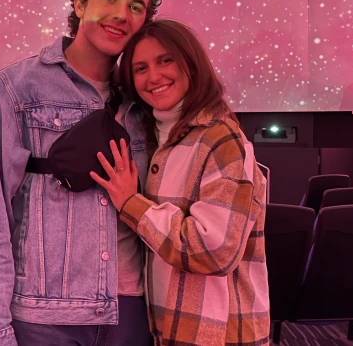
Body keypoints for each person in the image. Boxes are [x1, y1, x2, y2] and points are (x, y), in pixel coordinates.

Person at [0, 0, 164, 346]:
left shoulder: (146, 102)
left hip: (134, 310)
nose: (122, 14)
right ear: (80, 0)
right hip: (45, 315)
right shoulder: (17, 88)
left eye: (137, 6)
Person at [90, 19, 270, 346]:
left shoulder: (220, 139)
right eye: (140, 68)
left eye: (165, 60)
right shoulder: (161, 139)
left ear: (190, 62)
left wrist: (131, 204)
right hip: (172, 330)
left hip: (217, 336)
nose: (154, 76)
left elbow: (214, 251)